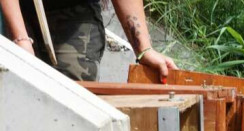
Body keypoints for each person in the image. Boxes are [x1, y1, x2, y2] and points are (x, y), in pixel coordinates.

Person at [0, 0, 177, 81]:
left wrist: (144, 49)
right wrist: (20, 39)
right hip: (14, 10)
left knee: (74, 96)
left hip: (72, 13)